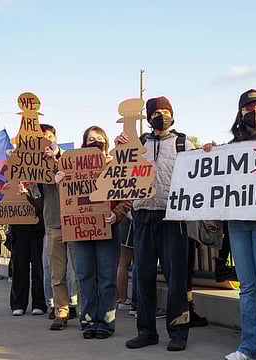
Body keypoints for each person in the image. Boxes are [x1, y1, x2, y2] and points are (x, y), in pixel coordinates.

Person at [204, 89, 256, 360]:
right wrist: (208, 155)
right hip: (239, 225)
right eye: (249, 107)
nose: (255, 112)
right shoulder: (232, 148)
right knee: (248, 287)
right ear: (240, 114)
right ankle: (249, 347)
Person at [119, 96, 194, 352]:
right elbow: (120, 175)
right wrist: (120, 152)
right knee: (144, 279)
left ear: (172, 114)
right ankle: (146, 331)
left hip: (173, 220)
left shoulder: (185, 144)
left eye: (165, 111)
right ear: (148, 118)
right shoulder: (137, 145)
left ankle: (178, 331)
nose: (160, 115)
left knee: (177, 280)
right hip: (143, 219)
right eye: (155, 112)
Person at [56, 126, 131, 339]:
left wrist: (117, 214)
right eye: (90, 139)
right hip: (80, 230)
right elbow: (67, 198)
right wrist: (60, 182)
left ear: (106, 142)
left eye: (98, 139)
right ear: (84, 143)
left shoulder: (115, 165)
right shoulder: (71, 169)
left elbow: (127, 196)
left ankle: (106, 323)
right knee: (85, 277)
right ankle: (88, 321)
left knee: (106, 279)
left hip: (108, 228)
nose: (95, 142)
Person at [37, 123, 80, 330]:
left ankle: (83, 310)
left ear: (55, 138)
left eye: (49, 137)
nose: (46, 141)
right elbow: (38, 197)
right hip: (53, 222)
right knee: (57, 272)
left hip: (74, 221)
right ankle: (60, 311)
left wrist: (56, 164)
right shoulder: (36, 164)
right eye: (41, 138)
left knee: (79, 270)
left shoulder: (69, 159)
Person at [10, 182, 46, 316]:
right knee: (19, 267)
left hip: (38, 228)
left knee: (39, 267)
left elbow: (42, 204)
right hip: (19, 228)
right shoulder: (12, 180)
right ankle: (18, 303)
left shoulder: (40, 179)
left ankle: (39, 302)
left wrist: (29, 192)